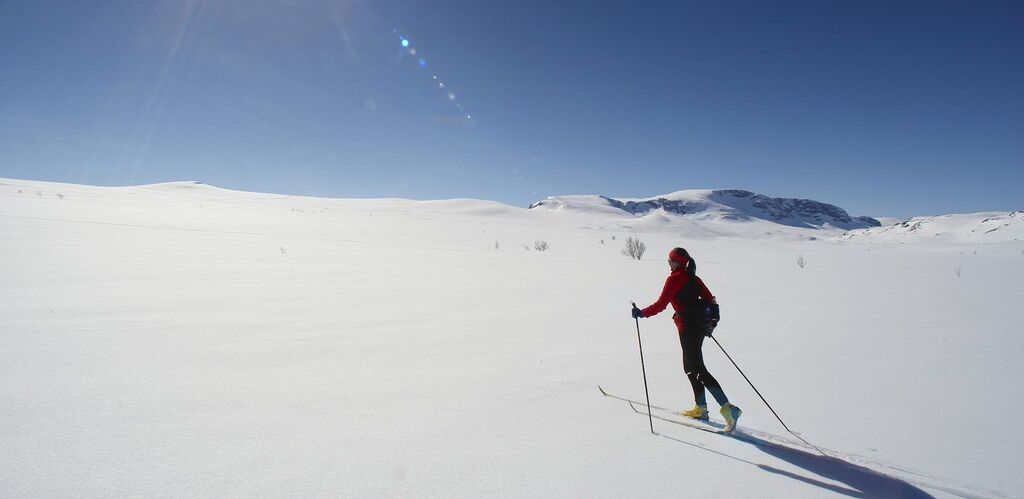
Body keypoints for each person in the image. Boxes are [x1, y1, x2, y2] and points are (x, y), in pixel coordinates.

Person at [631, 247, 742, 433]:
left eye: (670, 259)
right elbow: (711, 299)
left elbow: (661, 304)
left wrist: (642, 313)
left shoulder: (674, 279)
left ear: (676, 262)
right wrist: (711, 323)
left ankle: (728, 409)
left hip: (688, 328)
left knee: (697, 368)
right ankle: (701, 408)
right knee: (690, 368)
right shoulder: (694, 278)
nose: (668, 262)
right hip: (699, 328)